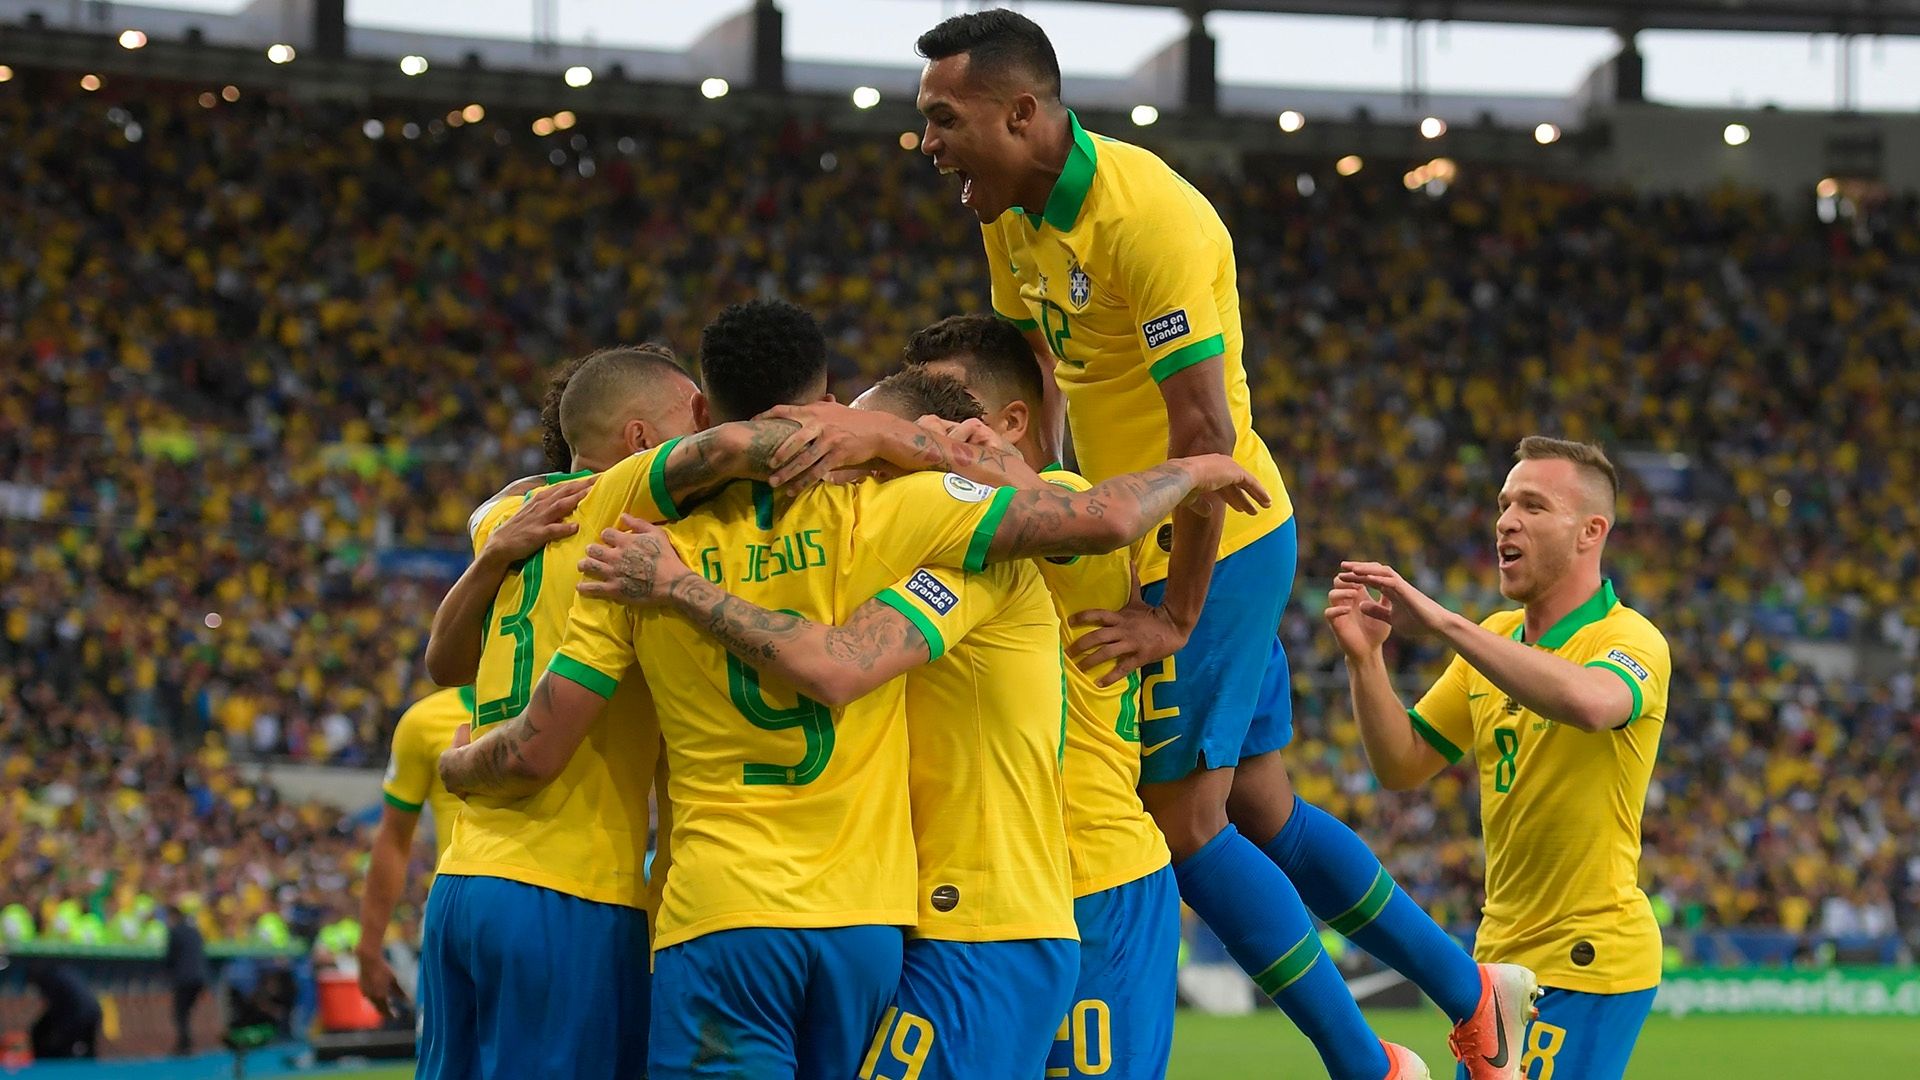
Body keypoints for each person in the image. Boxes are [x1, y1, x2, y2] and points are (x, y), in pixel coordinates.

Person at [911, 10, 1535, 1078]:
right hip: (1150, 530)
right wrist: (1051, 489)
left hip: (1213, 544)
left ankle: (1369, 1064)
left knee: (1184, 824)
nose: (926, 142)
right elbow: (1044, 370)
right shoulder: (1007, 212)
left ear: (1022, 113)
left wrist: (1176, 610)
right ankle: (1469, 991)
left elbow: (1203, 441)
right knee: (1262, 807)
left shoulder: (1151, 221)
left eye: (943, 118)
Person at [437, 299, 1267, 1079]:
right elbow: (1097, 517)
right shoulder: (905, 525)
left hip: (761, 913)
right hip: (881, 920)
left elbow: (506, 686)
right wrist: (1192, 471)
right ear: (828, 409)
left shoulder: (631, 543)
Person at [602, 367, 1079, 1079]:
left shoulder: (969, 558)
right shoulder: (878, 551)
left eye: (865, 457)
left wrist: (681, 587)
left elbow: (836, 668)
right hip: (911, 917)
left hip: (983, 918)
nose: (845, 470)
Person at [767, 316, 1181, 1077]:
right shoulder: (926, 534)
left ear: (1008, 423)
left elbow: (1091, 525)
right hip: (983, 885)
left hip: (1089, 869)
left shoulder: (1050, 501)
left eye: (949, 405)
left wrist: (1204, 470)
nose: (927, 431)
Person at [1327, 437, 1670, 1080]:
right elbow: (1401, 764)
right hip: (1495, 968)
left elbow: (1594, 703)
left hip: (1588, 957)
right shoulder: (1497, 639)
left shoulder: (1630, 638)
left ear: (1591, 531)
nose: (1506, 520)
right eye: (1504, 504)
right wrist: (1365, 659)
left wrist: (1446, 625)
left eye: (1533, 506)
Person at [414, 345, 700, 1080]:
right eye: (689, 415)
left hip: (461, 887)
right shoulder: (635, 536)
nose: (701, 428)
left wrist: (487, 555)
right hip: (571, 891)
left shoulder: (511, 516)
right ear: (640, 442)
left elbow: (445, 668)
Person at [356, 684, 475, 1018]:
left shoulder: (571, 699)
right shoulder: (425, 721)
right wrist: (369, 946)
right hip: (454, 923)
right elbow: (394, 837)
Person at [25, 959, 101, 1060]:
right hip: (93, 1012)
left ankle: (53, 1063)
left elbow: (56, 1008)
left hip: (79, 1014)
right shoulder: (65, 971)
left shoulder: (50, 978)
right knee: (87, 1046)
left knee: (53, 1037)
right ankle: (88, 1064)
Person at [163, 903, 210, 1056]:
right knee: (186, 1012)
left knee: (180, 1013)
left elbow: (170, 957)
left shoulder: (175, 932)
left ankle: (184, 1045)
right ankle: (185, 1043)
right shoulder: (195, 931)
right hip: (199, 977)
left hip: (184, 978)